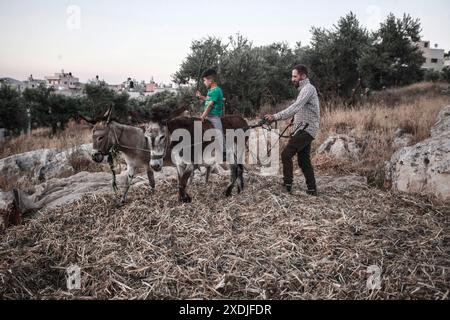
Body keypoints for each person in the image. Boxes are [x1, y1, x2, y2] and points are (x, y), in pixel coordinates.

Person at [264, 65, 320, 196]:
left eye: (295, 76)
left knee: (286, 154)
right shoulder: (305, 90)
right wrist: (294, 119)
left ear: (303, 76)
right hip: (304, 128)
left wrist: (275, 117)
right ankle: (312, 189)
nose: (292, 79)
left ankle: (287, 185)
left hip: (307, 129)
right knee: (303, 161)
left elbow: (296, 106)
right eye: (292, 76)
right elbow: (303, 108)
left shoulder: (308, 89)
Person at [196, 68, 227, 161]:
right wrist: (200, 96)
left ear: (210, 80)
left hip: (214, 117)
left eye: (205, 80)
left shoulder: (217, 90)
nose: (204, 82)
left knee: (219, 133)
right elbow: (208, 99)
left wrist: (202, 117)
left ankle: (224, 152)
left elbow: (210, 105)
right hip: (208, 116)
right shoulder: (210, 91)